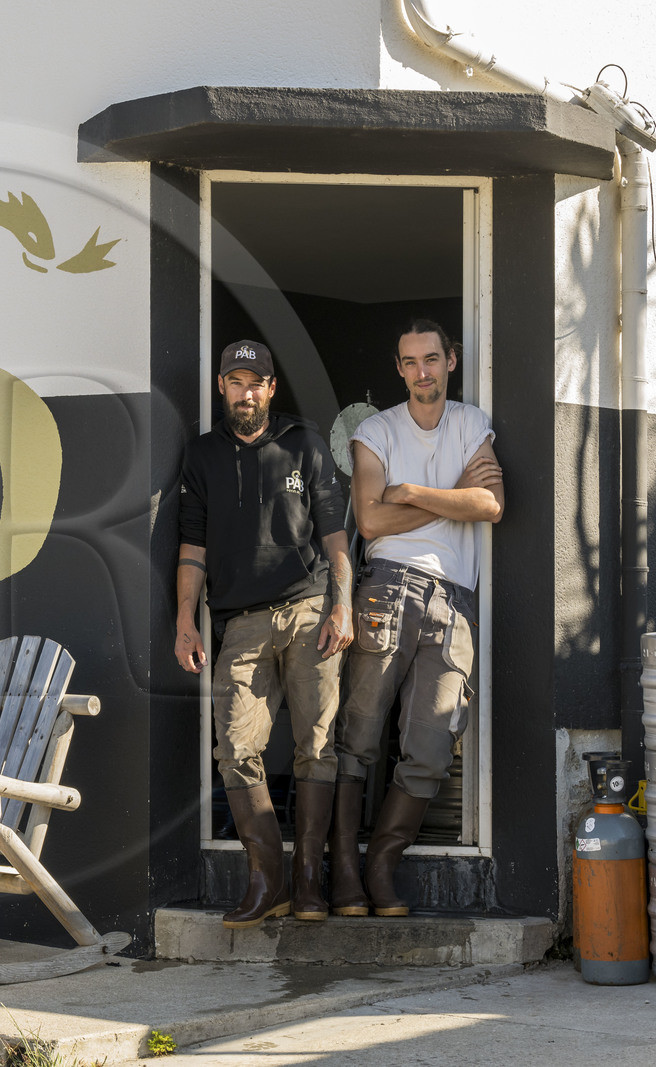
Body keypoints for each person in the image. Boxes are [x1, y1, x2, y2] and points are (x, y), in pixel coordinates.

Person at [176, 340, 354, 928]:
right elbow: (192, 547)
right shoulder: (201, 456)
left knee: (318, 745)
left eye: (255, 382)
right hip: (240, 623)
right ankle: (267, 878)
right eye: (235, 382)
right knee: (234, 747)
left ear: (270, 388)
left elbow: (335, 537)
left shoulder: (305, 443)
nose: (245, 392)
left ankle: (309, 881)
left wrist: (342, 607)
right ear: (221, 388)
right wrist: (184, 621)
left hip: (309, 611)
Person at [331, 319, 504, 917]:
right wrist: (450, 495)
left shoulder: (470, 422)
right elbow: (372, 523)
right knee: (358, 735)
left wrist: (413, 491)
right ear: (398, 368)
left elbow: (489, 504)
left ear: (450, 360)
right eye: (410, 362)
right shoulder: (375, 431)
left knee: (431, 745)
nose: (421, 372)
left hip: (454, 600)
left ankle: (382, 862)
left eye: (431, 359)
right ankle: (346, 873)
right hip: (388, 588)